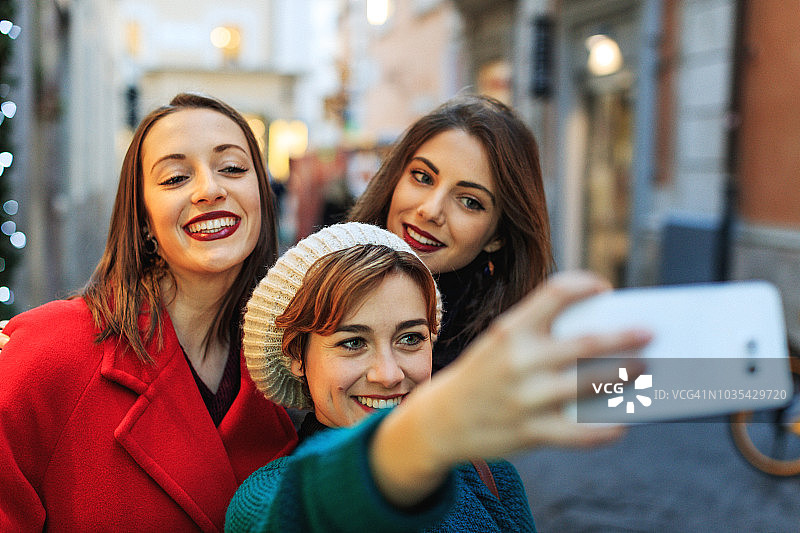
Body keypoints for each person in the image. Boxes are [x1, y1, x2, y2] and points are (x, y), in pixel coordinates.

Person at [225, 222, 651, 532]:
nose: (389, 374)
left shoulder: (491, 475)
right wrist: (427, 432)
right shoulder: (262, 499)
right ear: (296, 356)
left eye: (410, 338)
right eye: (352, 343)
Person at [0, 93, 298, 532]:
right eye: (176, 177)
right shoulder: (48, 353)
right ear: (142, 217)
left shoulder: (293, 365)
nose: (210, 189)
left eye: (232, 168)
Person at [348, 95, 553, 372]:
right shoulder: (316, 291)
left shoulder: (508, 360)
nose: (431, 210)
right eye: (423, 177)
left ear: (498, 236)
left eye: (469, 201)